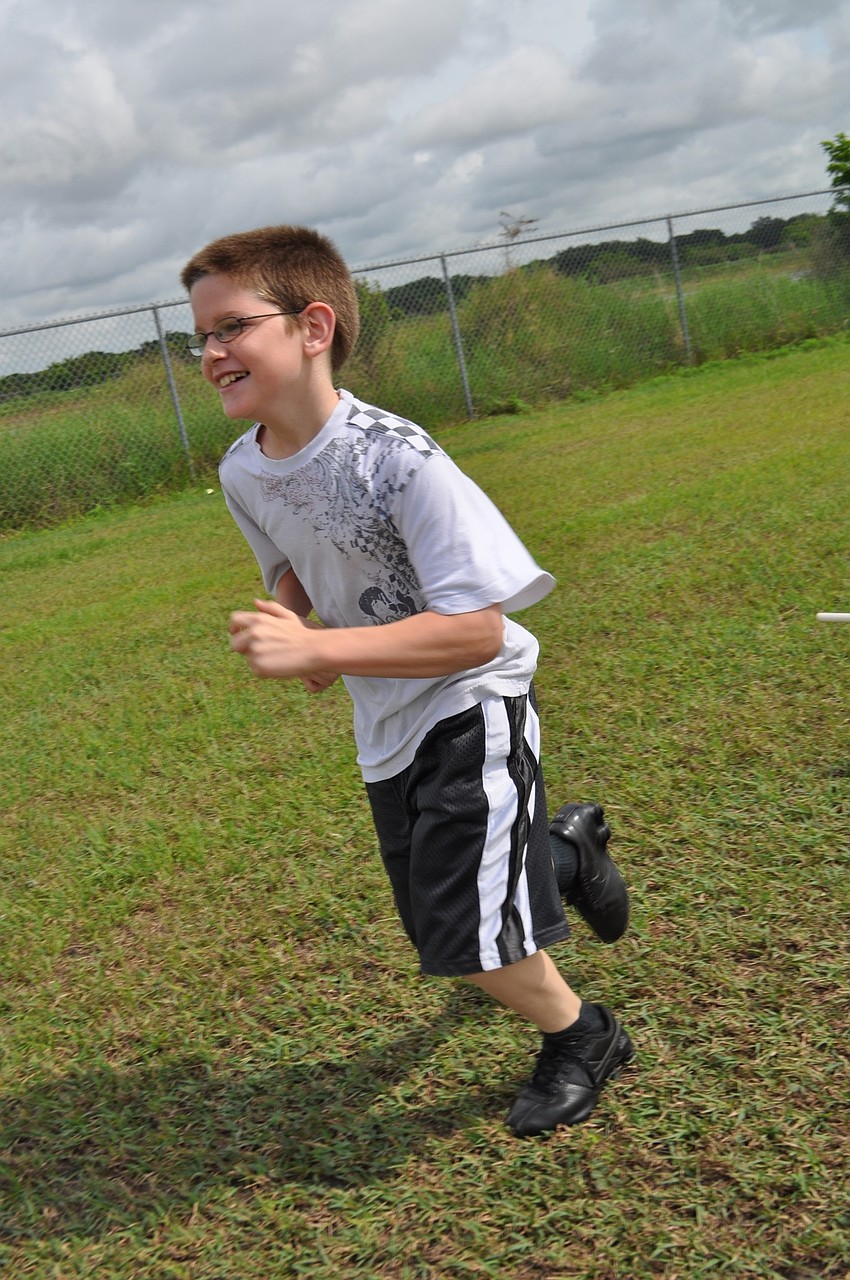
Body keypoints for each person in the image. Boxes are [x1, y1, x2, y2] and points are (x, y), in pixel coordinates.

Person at [180, 225, 633, 1137]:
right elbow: (293, 561)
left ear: (313, 327)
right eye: (200, 336)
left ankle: (586, 1036)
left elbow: (477, 630)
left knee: (467, 937)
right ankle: (564, 854)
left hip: (474, 702)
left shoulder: (399, 458)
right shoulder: (243, 471)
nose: (211, 353)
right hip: (386, 718)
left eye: (232, 327)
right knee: (440, 919)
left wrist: (321, 654)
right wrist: (293, 619)